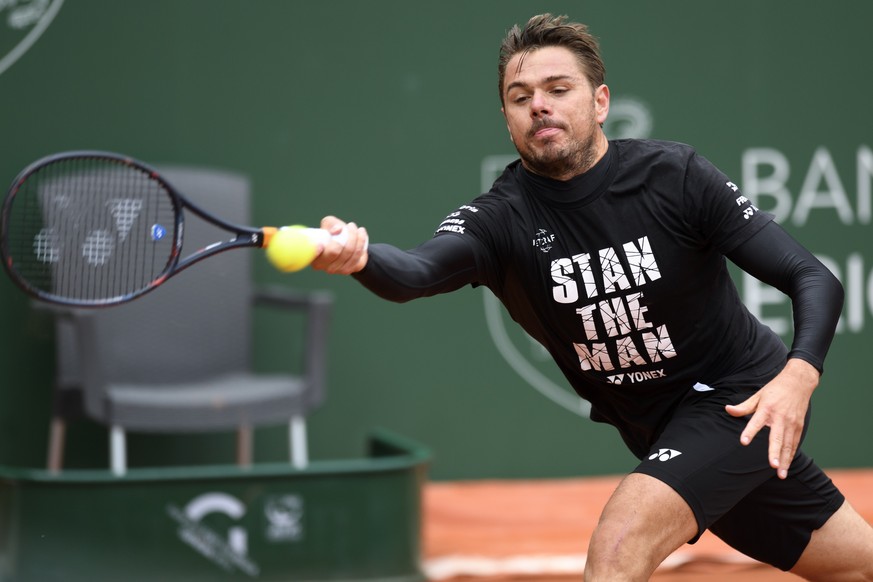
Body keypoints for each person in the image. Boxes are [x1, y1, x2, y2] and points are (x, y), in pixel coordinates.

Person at [310, 13, 873, 580]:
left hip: (741, 401)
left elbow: (812, 276)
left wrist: (797, 378)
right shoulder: (500, 219)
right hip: (659, 430)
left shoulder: (674, 176)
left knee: (619, 542)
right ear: (507, 120)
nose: (539, 106)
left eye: (558, 89)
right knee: (856, 564)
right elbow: (414, 272)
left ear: (600, 102)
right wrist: (360, 257)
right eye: (520, 96)